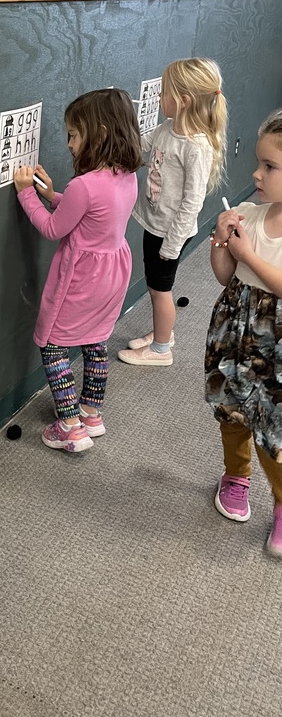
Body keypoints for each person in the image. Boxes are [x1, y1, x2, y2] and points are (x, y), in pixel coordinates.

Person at [14, 88, 143, 452]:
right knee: (95, 339)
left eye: (73, 134)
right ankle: (91, 413)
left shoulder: (84, 185)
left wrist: (26, 194)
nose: (69, 144)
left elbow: (55, 228)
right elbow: (90, 214)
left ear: (98, 133)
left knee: (53, 344)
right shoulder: (127, 175)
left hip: (81, 278)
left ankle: (69, 425)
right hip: (114, 272)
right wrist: (53, 194)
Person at [205, 108, 282, 557]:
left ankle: (280, 501)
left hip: (275, 341)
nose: (256, 172)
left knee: (273, 424)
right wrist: (221, 242)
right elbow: (222, 275)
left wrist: (248, 255)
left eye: (270, 167)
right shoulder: (249, 214)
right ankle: (236, 476)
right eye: (259, 162)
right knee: (232, 411)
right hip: (234, 329)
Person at [119, 58, 227, 366]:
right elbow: (140, 147)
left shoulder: (196, 146)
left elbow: (192, 203)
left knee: (159, 290)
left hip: (169, 233)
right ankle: (161, 333)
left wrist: (172, 244)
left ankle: (161, 350)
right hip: (156, 223)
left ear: (183, 101)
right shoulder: (168, 129)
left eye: (164, 92)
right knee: (158, 287)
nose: (159, 98)